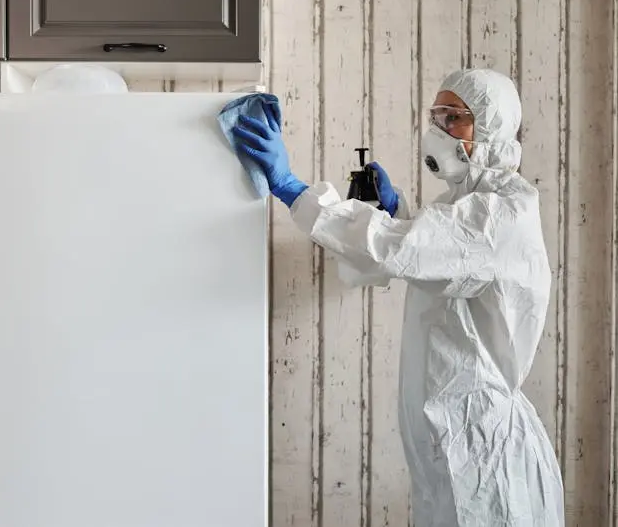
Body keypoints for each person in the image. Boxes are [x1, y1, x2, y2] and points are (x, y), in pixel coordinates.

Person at [232, 68, 565, 526]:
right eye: (436, 116)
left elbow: (403, 249)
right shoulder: (463, 207)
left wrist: (294, 190)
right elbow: (430, 254)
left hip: (484, 451)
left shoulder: (502, 213)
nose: (438, 130)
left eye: (454, 118)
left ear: (491, 127)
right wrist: (397, 211)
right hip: (455, 441)